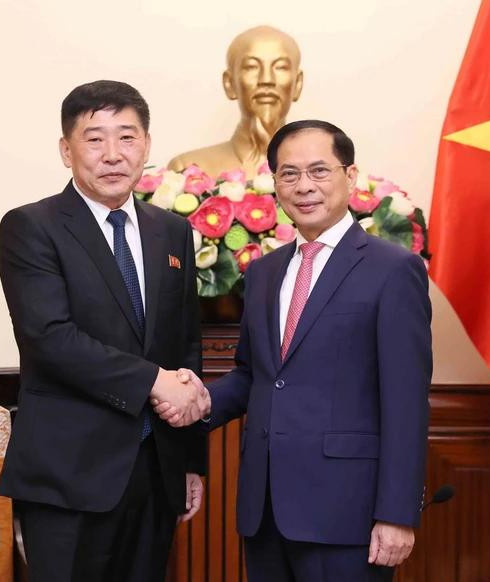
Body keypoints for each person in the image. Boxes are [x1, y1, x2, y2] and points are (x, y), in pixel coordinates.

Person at [155, 120, 432, 581]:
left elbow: (406, 401)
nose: (304, 186)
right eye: (289, 174)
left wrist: (398, 513)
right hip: (265, 511)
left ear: (350, 175)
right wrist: (197, 401)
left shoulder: (393, 269)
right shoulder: (264, 273)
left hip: (349, 514)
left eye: (319, 171)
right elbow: (254, 375)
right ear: (275, 185)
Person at [0, 80, 210, 582]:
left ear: (147, 146)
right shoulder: (32, 227)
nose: (113, 154)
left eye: (127, 137)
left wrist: (190, 457)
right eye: (94, 139)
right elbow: (50, 340)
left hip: (155, 470)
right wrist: (153, 381)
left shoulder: (171, 230)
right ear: (66, 150)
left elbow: (186, 344)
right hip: (70, 474)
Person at [168, 25, 304, 179]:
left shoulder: (327, 170)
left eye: (281, 67)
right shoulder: (189, 169)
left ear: (298, 84)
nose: (267, 80)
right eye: (251, 67)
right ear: (229, 83)